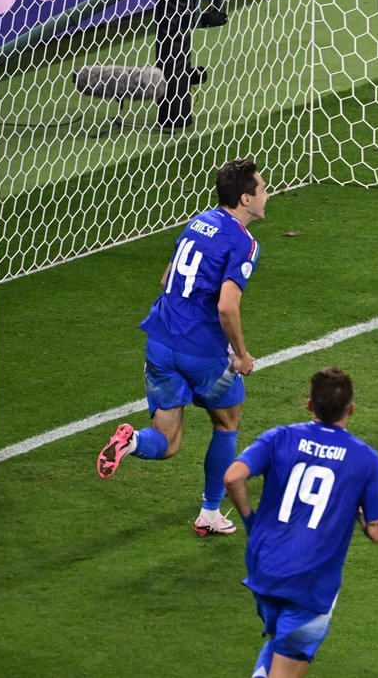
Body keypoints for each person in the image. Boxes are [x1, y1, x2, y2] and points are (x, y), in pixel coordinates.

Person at [97, 158, 266, 537]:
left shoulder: (198, 222)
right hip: (203, 354)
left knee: (166, 442)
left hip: (160, 342)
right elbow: (226, 306)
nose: (267, 195)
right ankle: (209, 512)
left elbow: (165, 278)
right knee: (227, 423)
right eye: (262, 188)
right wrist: (240, 354)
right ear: (245, 198)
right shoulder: (244, 242)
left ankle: (131, 441)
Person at [223, 367, 378, 678]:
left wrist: (250, 522)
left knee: (278, 643)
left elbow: (233, 477)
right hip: (311, 581)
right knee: (287, 669)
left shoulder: (280, 437)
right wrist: (357, 509)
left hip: (264, 565)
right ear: (350, 409)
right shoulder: (366, 459)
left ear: (309, 404)